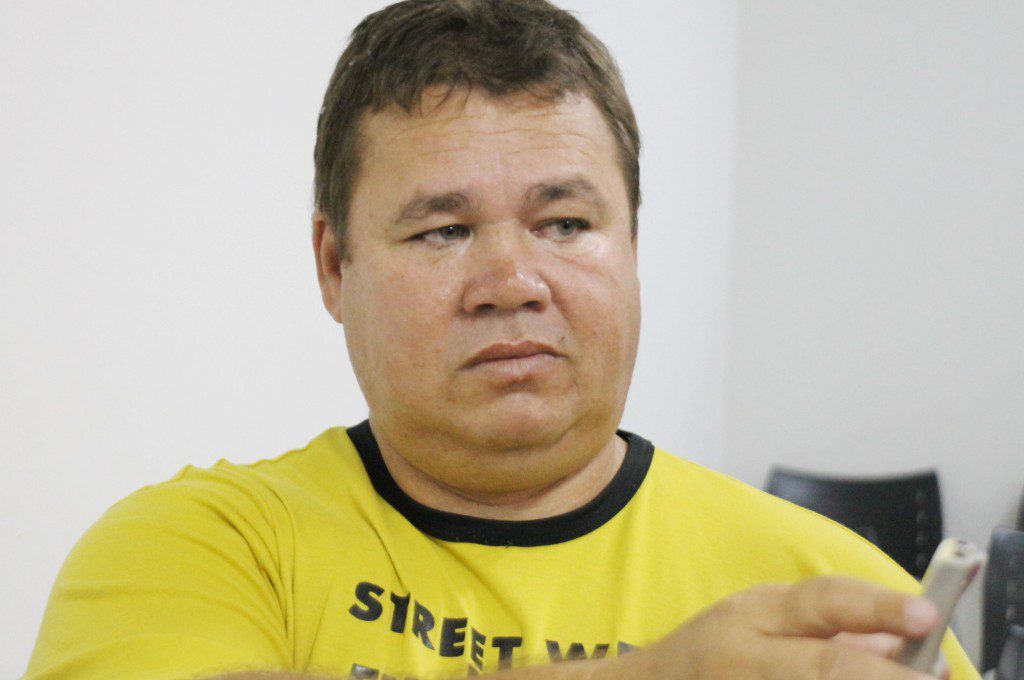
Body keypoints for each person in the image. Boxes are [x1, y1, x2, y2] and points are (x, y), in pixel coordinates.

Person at [24, 1, 979, 678]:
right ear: (334, 265)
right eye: (443, 231)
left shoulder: (835, 598)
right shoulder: (197, 547)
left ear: (632, 246)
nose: (512, 284)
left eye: (564, 223)